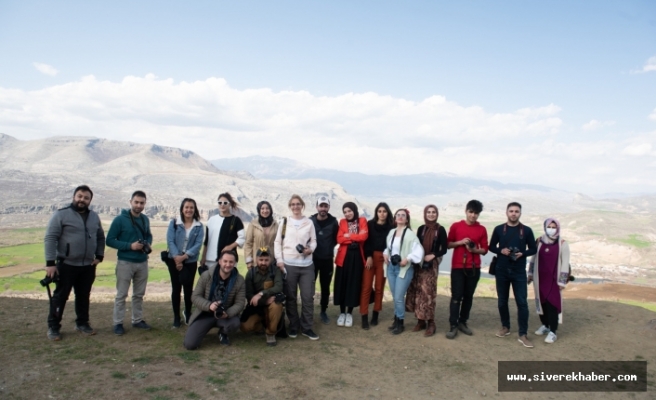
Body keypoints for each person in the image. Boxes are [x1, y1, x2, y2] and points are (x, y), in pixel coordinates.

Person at [43, 185, 105, 340]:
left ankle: (82, 323)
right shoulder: (61, 215)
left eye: (86, 198)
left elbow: (100, 237)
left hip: (87, 265)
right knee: (60, 296)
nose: (82, 200)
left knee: (83, 296)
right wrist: (50, 263)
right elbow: (50, 238)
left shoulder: (94, 217)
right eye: (80, 196)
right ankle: (54, 326)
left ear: (90, 200)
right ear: (74, 197)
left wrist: (99, 256)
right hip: (66, 264)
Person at [490, 202, 537, 348]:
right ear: (506, 213)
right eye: (511, 211)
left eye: (517, 211)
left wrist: (523, 253)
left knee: (522, 303)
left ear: (520, 214)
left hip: (518, 271)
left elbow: (534, 249)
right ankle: (506, 327)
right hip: (502, 269)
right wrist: (501, 251)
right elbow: (491, 246)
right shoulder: (499, 229)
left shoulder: (527, 231)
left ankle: (523, 334)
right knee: (502, 301)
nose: (514, 213)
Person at [107, 190, 154, 335]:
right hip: (125, 262)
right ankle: (118, 323)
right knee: (121, 294)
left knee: (139, 294)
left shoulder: (145, 219)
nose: (139, 205)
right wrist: (130, 246)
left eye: (142, 203)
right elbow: (110, 240)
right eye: (136, 202)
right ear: (130, 202)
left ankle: (137, 320)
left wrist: (147, 244)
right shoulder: (119, 220)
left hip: (142, 262)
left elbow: (148, 235)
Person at [274, 194, 319, 340]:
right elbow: (277, 242)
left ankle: (307, 327)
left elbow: (314, 240)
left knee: (307, 297)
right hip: (289, 265)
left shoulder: (309, 222)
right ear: (290, 206)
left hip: (306, 266)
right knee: (291, 297)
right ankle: (293, 326)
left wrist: (310, 249)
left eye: (298, 204)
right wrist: (279, 261)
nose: (295, 206)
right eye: (293, 204)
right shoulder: (284, 222)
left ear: (302, 205)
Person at [183, 251, 246, 349]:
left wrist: (228, 313)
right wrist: (209, 306)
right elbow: (195, 296)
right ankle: (201, 329)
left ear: (235, 263)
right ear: (219, 261)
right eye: (225, 261)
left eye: (231, 262)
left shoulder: (239, 280)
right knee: (190, 345)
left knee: (234, 323)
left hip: (224, 314)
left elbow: (240, 303)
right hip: (205, 313)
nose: (228, 264)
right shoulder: (206, 276)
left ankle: (223, 333)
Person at [445, 200, 488, 340]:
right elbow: (448, 244)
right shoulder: (456, 226)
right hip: (458, 267)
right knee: (456, 297)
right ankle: (453, 325)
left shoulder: (482, 229)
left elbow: (485, 250)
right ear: (466, 211)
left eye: (476, 213)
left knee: (468, 297)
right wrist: (460, 242)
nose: (473, 215)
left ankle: (463, 322)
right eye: (471, 212)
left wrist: (474, 250)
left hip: (474, 268)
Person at [405, 205, 448, 337]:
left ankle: (431, 323)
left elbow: (444, 248)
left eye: (433, 212)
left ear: (437, 214)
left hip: (431, 264)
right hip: (420, 263)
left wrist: (433, 255)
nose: (431, 214)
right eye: (428, 212)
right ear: (425, 214)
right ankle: (420, 320)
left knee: (429, 293)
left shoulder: (440, 230)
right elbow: (417, 245)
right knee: (419, 292)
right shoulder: (421, 229)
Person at [528, 218, 570, 344]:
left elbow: (565, 263)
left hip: (554, 280)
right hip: (539, 278)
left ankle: (553, 331)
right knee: (541, 303)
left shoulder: (562, 244)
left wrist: (562, 282)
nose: (551, 229)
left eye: (553, 227)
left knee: (552, 304)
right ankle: (545, 325)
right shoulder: (539, 241)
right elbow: (533, 259)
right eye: (549, 226)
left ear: (557, 228)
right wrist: (530, 273)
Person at [384, 208, 424, 335]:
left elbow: (419, 251)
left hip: (404, 269)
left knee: (398, 297)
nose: (400, 217)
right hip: (392, 267)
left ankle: (400, 322)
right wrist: (385, 254)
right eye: (398, 215)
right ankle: (396, 320)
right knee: (395, 296)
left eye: (403, 215)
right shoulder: (392, 232)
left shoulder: (411, 235)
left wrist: (407, 259)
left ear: (407, 219)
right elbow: (389, 247)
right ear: (395, 218)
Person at [166, 198, 204, 328]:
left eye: (191, 207)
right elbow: (170, 241)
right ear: (182, 209)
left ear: (195, 210)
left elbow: (198, 244)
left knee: (188, 289)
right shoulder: (174, 223)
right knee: (176, 289)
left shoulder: (199, 226)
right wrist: (177, 257)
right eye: (186, 207)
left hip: (190, 261)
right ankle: (176, 317)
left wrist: (184, 257)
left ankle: (188, 312)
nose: (189, 210)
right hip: (174, 260)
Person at [240, 247, 284, 347]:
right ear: (256, 260)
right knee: (244, 327)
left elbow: (278, 287)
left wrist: (261, 294)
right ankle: (261, 326)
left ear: (270, 260)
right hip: (257, 306)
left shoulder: (275, 271)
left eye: (266, 260)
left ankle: (270, 333)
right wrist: (263, 301)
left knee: (277, 305)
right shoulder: (250, 274)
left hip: (272, 304)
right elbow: (249, 295)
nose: (263, 263)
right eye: (261, 260)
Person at [334, 202, 368, 328]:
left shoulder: (362, 220)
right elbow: (339, 239)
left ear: (354, 210)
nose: (347, 214)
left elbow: (364, 236)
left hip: (357, 257)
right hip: (344, 257)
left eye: (349, 211)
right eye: (345, 212)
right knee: (342, 283)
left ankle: (349, 313)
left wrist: (348, 235)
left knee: (353, 284)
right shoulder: (342, 222)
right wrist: (354, 238)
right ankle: (342, 313)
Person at [361, 202, 393, 328]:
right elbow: (366, 242)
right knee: (366, 287)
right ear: (376, 213)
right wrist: (368, 256)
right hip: (370, 257)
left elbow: (391, 245)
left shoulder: (391, 227)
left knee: (379, 287)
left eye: (384, 211)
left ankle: (375, 314)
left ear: (387, 213)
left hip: (383, 259)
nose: (382, 214)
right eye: (379, 211)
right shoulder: (370, 224)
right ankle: (364, 315)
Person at [309, 196, 339, 324]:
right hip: (312, 260)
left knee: (325, 287)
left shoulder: (333, 222)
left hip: (327, 259)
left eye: (325, 206)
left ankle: (323, 311)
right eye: (321, 206)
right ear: (317, 207)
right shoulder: (310, 221)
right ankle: (308, 311)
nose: (323, 208)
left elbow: (337, 238)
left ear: (328, 208)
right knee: (310, 286)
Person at [200, 193, 245, 269]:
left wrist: (230, 247)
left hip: (228, 261)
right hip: (210, 260)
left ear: (229, 204)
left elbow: (242, 238)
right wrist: (203, 257)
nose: (222, 205)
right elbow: (207, 241)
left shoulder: (236, 221)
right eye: (220, 202)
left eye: (225, 203)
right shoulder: (211, 220)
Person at [244, 201, 279, 270]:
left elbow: (279, 243)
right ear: (259, 210)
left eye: (267, 208)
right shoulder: (253, 224)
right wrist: (249, 262)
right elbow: (248, 244)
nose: (265, 211)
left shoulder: (275, 224)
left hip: (271, 260)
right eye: (262, 209)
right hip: (256, 260)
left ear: (270, 210)